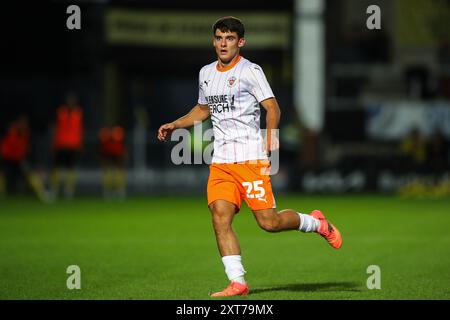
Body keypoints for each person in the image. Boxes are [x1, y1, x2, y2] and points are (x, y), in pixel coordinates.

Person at [157, 17, 342, 297]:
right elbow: (202, 110)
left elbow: (273, 108)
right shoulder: (206, 73)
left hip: (250, 158)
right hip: (221, 162)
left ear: (240, 42)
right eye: (219, 38)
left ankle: (317, 223)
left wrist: (271, 141)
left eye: (229, 38)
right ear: (213, 40)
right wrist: (175, 124)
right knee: (220, 217)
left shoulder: (250, 71)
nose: (223, 43)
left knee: (270, 223)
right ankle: (238, 283)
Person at [50, 94, 83, 200]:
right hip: (61, 145)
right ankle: (55, 190)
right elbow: (55, 128)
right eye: (69, 100)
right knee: (56, 168)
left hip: (73, 145)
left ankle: (69, 191)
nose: (71, 103)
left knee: (71, 169)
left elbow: (79, 130)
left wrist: (79, 144)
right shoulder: (61, 112)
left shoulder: (78, 113)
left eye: (72, 100)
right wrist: (54, 143)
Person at [98, 126, 127, 199]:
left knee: (115, 171)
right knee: (111, 171)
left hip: (115, 152)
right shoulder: (106, 130)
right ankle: (111, 190)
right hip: (109, 152)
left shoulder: (116, 130)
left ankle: (117, 190)